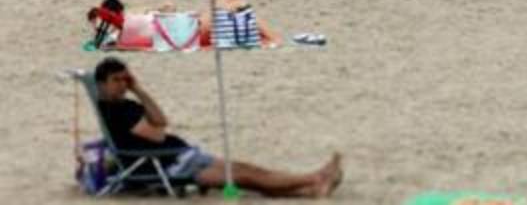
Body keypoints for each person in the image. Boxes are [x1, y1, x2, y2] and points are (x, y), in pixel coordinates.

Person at [92, 59, 342, 197]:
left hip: (180, 155)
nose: (122, 85)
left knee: (248, 173)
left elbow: (161, 120)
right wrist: (155, 128)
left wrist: (138, 89)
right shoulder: (114, 112)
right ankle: (315, 178)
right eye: (116, 80)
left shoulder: (125, 103)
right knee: (244, 176)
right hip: (170, 164)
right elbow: (157, 135)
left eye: (125, 79)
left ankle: (311, 187)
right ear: (101, 83)